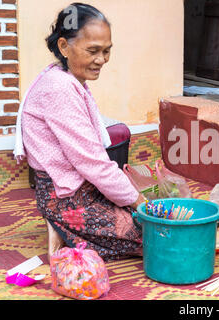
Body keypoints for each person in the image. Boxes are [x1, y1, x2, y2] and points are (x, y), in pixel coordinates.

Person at [14, 3, 145, 261]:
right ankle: (62, 225)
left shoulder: (63, 78)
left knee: (140, 212)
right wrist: (141, 203)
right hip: (67, 198)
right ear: (64, 47)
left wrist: (135, 200)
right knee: (154, 232)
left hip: (79, 188)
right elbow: (93, 162)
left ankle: (64, 230)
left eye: (107, 51)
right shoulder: (59, 89)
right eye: (93, 51)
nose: (102, 60)